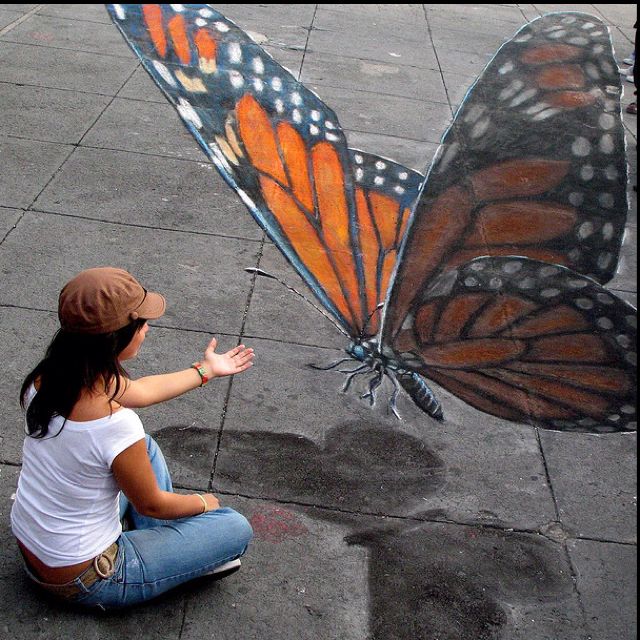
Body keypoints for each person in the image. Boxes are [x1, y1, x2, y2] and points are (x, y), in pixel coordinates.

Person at [10, 267, 255, 610]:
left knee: (147, 448)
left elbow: (139, 390)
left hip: (35, 547)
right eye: (141, 324)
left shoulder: (50, 377)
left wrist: (206, 370)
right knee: (234, 526)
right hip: (88, 578)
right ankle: (171, 555)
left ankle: (167, 544)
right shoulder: (115, 424)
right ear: (116, 338)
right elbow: (151, 504)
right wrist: (204, 502)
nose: (147, 329)